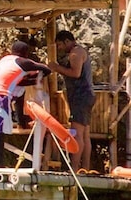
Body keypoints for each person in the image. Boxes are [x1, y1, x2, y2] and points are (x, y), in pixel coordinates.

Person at [0, 40, 53, 167]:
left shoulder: (5, 60)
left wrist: (31, 81)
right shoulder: (23, 62)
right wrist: (37, 77)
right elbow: (46, 69)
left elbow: (17, 83)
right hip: (0, 95)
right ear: (25, 54)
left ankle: (20, 120)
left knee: (20, 92)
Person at [48, 30, 96, 172]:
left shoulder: (75, 52)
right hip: (86, 96)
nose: (59, 49)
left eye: (60, 45)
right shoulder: (80, 51)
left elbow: (75, 73)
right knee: (85, 134)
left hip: (81, 96)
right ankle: (85, 168)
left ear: (67, 41)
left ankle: (74, 168)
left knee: (78, 133)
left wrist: (56, 68)